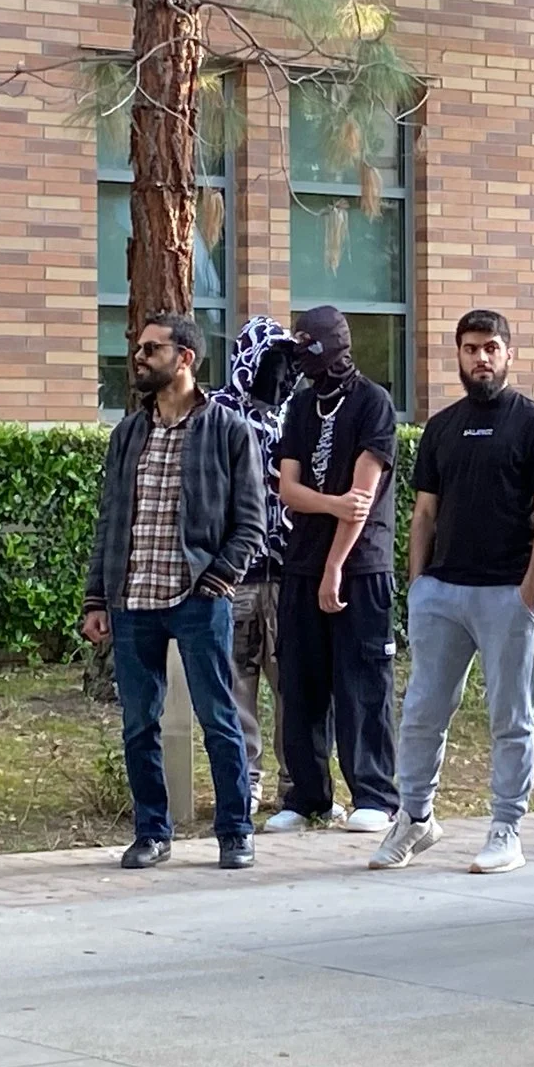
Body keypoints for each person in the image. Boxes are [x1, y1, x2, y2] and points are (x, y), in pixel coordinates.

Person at [369, 310, 534, 876]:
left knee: (511, 717)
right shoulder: (442, 426)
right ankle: (415, 817)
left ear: (508, 354)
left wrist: (530, 590)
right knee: (421, 713)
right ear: (457, 355)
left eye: (491, 348)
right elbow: (424, 513)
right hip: (442, 595)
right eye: (471, 348)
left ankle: (506, 827)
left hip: (507, 594)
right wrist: (419, 585)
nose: (481, 358)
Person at [71, 312, 262, 870]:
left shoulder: (228, 430)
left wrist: (218, 580)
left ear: (185, 358)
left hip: (197, 600)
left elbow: (251, 523)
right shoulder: (128, 434)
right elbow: (110, 523)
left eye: (152, 348)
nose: (139, 356)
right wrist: (96, 599)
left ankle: (234, 832)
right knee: (138, 723)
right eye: (138, 347)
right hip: (133, 601)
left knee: (218, 718)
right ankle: (152, 832)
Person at [269, 305, 398, 833]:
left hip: (360, 567)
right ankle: (308, 798)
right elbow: (289, 489)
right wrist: (330, 504)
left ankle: (375, 795)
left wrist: (335, 567)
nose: (301, 359)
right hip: (302, 563)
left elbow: (361, 500)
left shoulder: (374, 403)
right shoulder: (301, 406)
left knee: (362, 681)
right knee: (300, 682)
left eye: (307, 347)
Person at [210, 315, 301, 819]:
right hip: (236, 576)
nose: (284, 377)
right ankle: (244, 782)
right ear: (249, 362)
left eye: (290, 367)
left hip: (287, 573)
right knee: (237, 683)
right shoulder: (218, 415)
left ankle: (297, 784)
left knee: (292, 681)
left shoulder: (293, 419)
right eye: (274, 364)